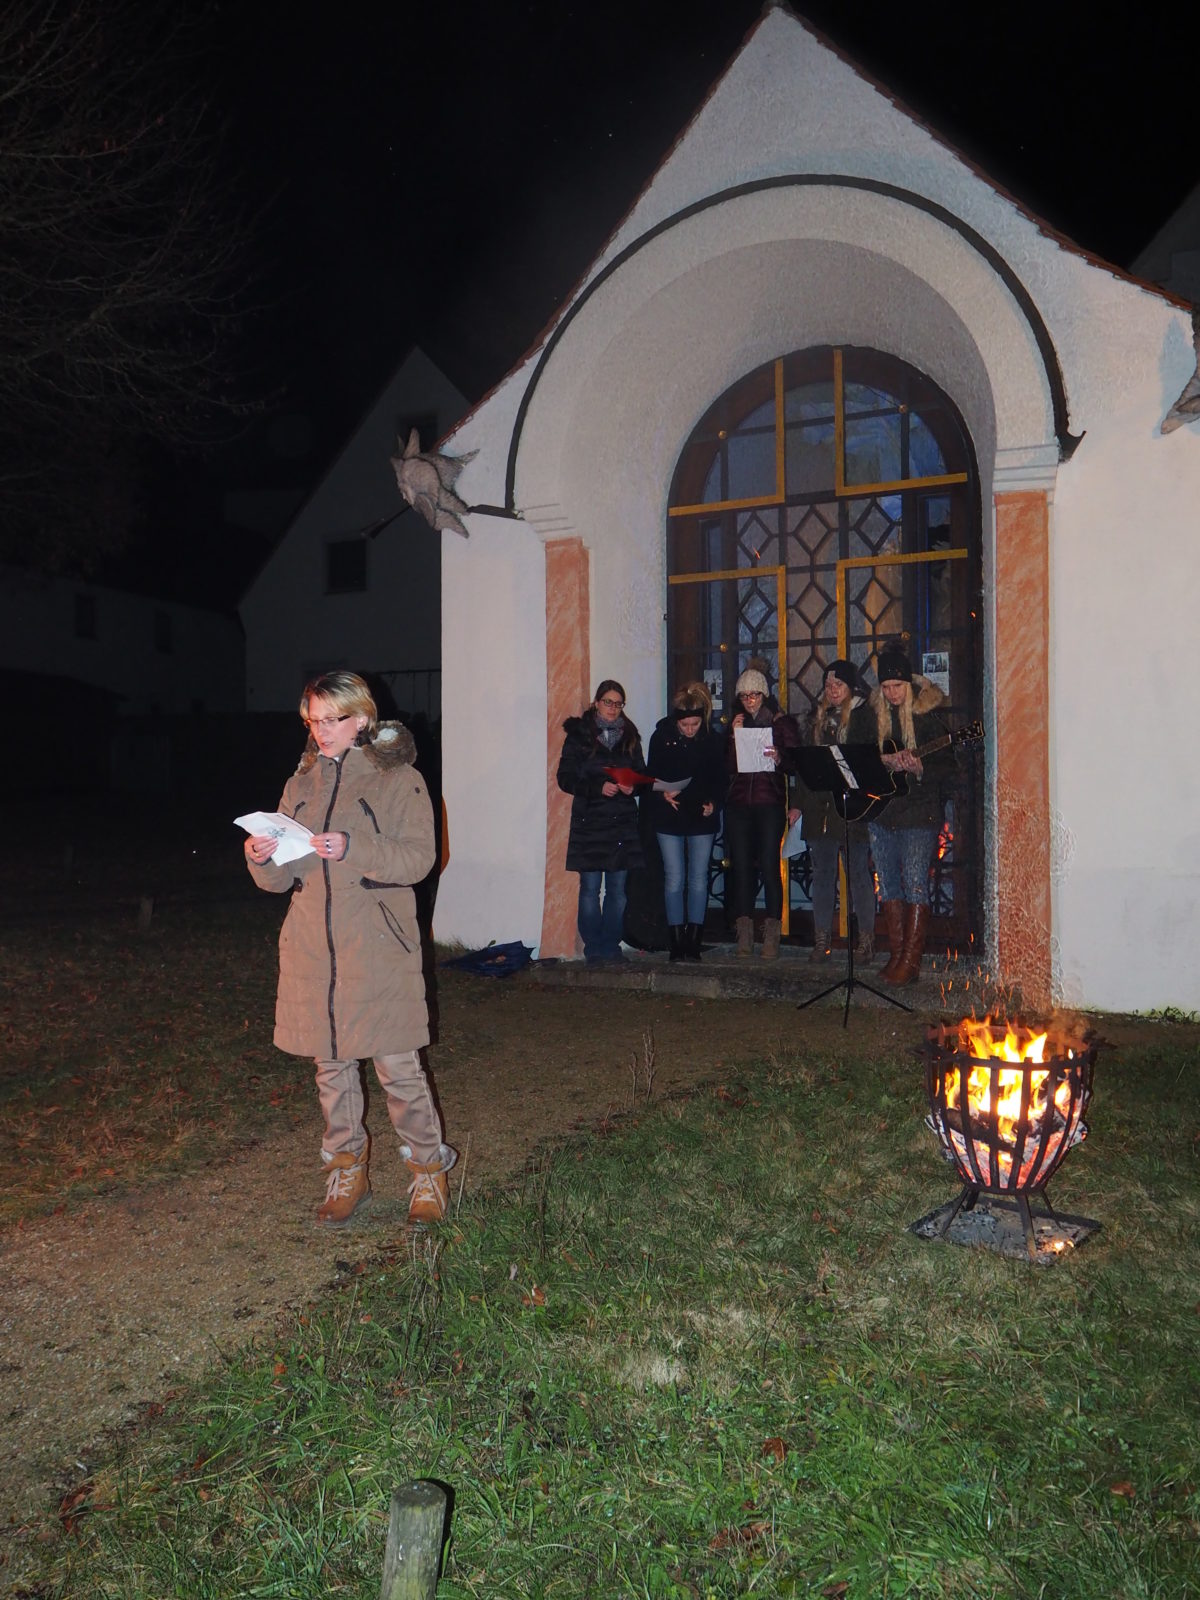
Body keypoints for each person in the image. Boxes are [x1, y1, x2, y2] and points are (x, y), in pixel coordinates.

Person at [243, 671, 455, 1227]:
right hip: (315, 946)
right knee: (330, 1066)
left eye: (331, 719)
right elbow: (283, 880)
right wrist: (262, 857)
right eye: (312, 720)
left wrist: (355, 848)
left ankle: (428, 1175)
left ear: (361, 718)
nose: (321, 731)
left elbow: (418, 859)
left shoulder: (399, 778)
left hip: (378, 944)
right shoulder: (300, 784)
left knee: (397, 1068)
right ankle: (347, 1171)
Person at [867, 647, 952, 985]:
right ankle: (896, 954)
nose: (892, 693)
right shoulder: (871, 716)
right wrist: (883, 761)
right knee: (887, 883)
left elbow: (949, 763)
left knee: (916, 881)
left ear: (909, 684)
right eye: (886, 687)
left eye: (897, 686)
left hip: (919, 812)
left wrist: (922, 767)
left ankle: (911, 961)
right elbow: (858, 753)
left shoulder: (927, 715)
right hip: (881, 809)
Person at [785, 659, 878, 964]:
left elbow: (869, 762)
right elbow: (805, 767)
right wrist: (797, 802)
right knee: (822, 875)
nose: (832, 690)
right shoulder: (817, 719)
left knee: (858, 876)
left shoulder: (865, 718)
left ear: (851, 687)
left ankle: (866, 941)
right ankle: (821, 939)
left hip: (852, 808)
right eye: (828, 685)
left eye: (838, 684)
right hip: (819, 807)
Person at [556, 679, 645, 963]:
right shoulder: (579, 735)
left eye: (618, 704)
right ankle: (593, 947)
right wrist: (597, 788)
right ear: (596, 703)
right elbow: (565, 778)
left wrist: (635, 787)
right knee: (591, 889)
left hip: (621, 823)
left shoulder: (630, 736)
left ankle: (611, 945)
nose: (613, 708)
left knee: (618, 891)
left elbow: (642, 774)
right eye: (608, 702)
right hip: (590, 821)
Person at [646, 681, 726, 961]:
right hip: (669, 816)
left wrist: (713, 805)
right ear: (676, 720)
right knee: (674, 878)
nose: (690, 729)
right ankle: (676, 940)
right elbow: (650, 776)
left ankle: (694, 940)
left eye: (694, 724)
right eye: (685, 725)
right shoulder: (661, 737)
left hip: (700, 815)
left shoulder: (712, 740)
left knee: (698, 878)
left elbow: (721, 780)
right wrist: (662, 793)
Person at [725, 664, 800, 959]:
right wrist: (733, 738)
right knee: (741, 866)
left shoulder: (781, 724)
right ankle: (744, 932)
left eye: (755, 694)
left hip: (769, 803)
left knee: (770, 865)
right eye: (744, 696)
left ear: (764, 695)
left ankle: (772, 934)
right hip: (739, 804)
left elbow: (795, 763)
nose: (750, 701)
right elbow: (727, 767)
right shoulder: (735, 722)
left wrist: (779, 756)